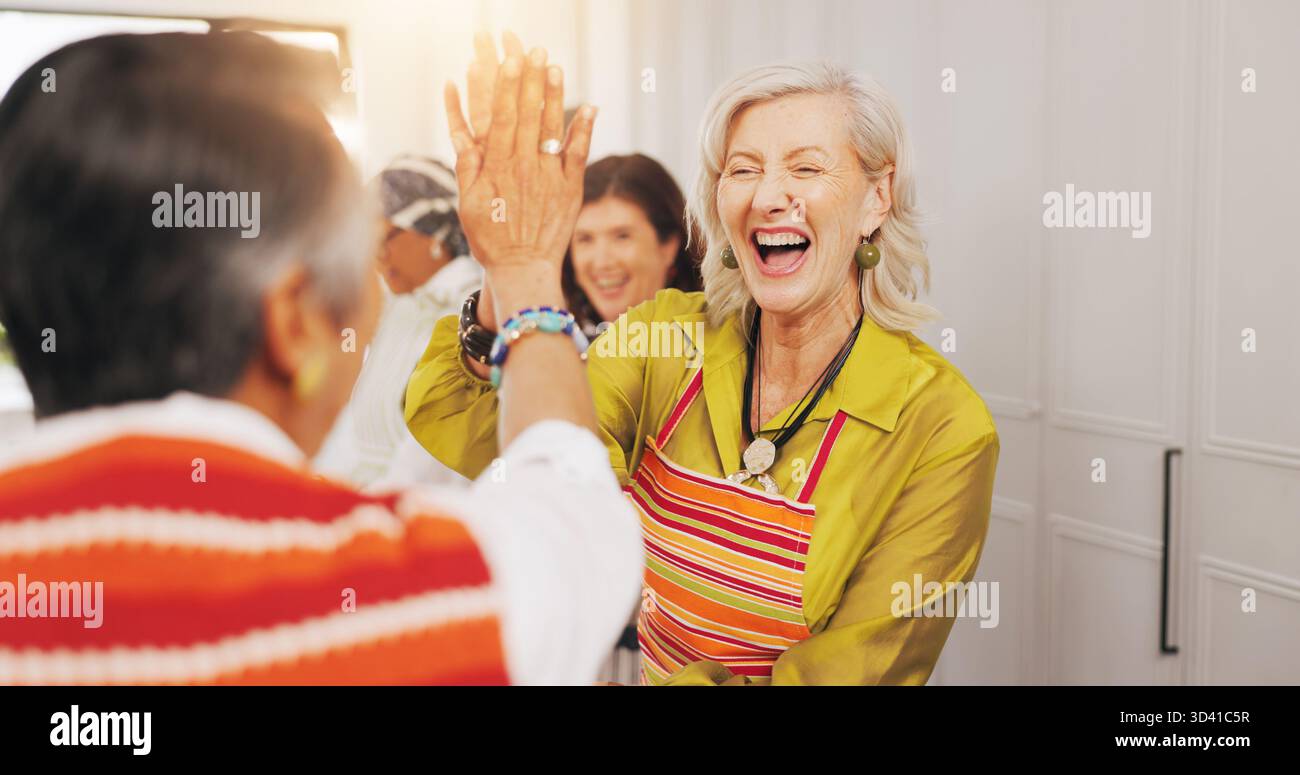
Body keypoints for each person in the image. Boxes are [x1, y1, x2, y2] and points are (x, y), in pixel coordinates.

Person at [0, 31, 640, 685]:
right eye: (361, 247)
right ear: (294, 321)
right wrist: (528, 265)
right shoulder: (418, 604)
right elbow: (575, 511)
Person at [406, 48, 1000, 685]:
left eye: (806, 167)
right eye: (743, 169)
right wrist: (512, 257)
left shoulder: (945, 431)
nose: (769, 197)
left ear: (876, 199)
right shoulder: (666, 338)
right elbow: (489, 434)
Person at [315, 155, 481, 489]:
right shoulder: (402, 307)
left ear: (433, 234)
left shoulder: (468, 311)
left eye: (385, 237)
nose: (378, 255)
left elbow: (435, 460)